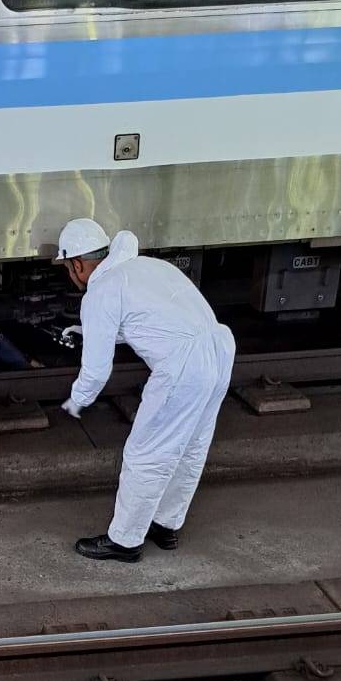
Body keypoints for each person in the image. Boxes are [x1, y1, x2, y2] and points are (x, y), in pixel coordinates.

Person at [56, 218, 235, 562]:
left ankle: (124, 541)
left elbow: (95, 371)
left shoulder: (101, 289)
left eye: (68, 268)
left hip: (183, 367)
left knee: (146, 454)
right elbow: (150, 321)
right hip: (218, 350)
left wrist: (76, 401)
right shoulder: (146, 266)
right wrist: (86, 330)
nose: (71, 275)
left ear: (78, 263)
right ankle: (166, 526)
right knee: (190, 447)